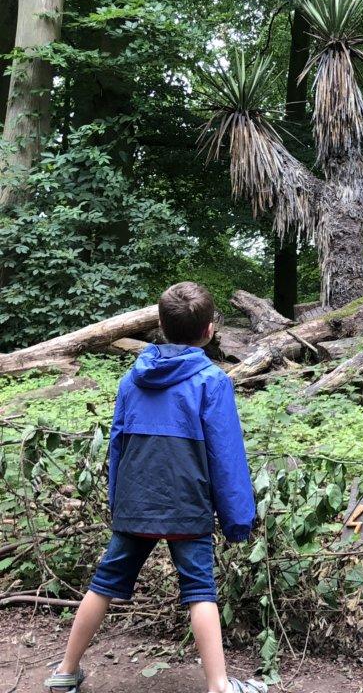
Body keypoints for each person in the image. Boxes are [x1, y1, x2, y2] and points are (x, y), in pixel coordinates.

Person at [44, 282, 265, 693]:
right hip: (187, 504)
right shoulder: (212, 382)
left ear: (159, 325)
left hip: (136, 501)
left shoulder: (132, 380)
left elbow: (118, 444)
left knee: (104, 583)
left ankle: (64, 671)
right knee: (200, 591)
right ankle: (219, 685)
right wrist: (238, 520)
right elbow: (227, 457)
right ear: (210, 330)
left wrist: (117, 502)